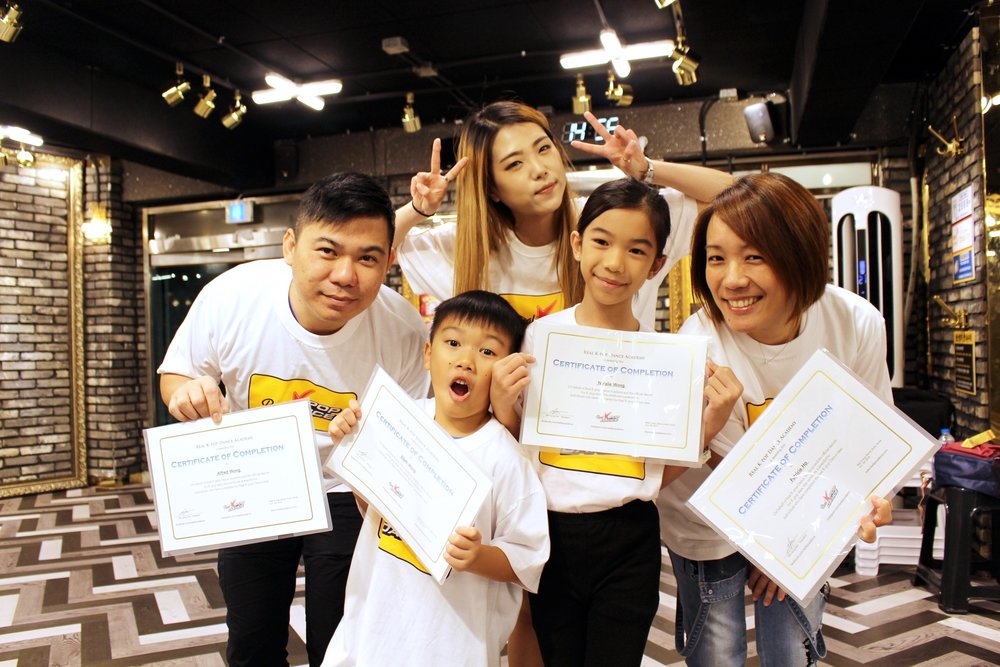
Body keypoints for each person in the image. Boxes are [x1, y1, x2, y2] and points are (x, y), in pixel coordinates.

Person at [157, 172, 430, 667]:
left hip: (349, 485)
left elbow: (404, 436)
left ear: (389, 262)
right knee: (252, 639)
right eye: (327, 251)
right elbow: (176, 375)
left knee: (343, 643)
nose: (346, 275)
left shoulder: (403, 330)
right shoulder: (233, 296)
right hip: (257, 481)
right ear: (290, 246)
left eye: (368, 257)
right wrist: (188, 395)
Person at [495, 179, 742, 666]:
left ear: (656, 266)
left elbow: (653, 478)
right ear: (577, 243)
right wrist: (504, 407)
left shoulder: (665, 361)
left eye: (636, 250)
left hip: (630, 537)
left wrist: (707, 430)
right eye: (602, 241)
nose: (613, 263)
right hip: (551, 533)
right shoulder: (537, 338)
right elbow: (512, 459)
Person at [658, 172, 894, 667]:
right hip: (707, 520)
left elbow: (873, 437)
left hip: (803, 516)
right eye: (716, 257)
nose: (731, 279)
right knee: (716, 650)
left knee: (790, 649)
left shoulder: (855, 322)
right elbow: (727, 462)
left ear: (799, 254)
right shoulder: (698, 339)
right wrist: (781, 542)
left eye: (755, 256)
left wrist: (807, 542)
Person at [320, 290, 550, 667]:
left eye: (487, 352)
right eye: (453, 342)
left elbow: (526, 559)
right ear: (428, 354)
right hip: (371, 628)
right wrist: (353, 445)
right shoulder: (396, 421)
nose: (465, 360)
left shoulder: (506, 458)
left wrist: (477, 557)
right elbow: (373, 510)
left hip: (451, 643)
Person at [393, 103, 734, 326]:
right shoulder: (468, 248)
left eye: (544, 149)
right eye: (515, 164)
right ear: (492, 189)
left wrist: (646, 169)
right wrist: (418, 209)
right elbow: (372, 246)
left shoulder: (611, 220)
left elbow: (733, 196)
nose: (540, 169)